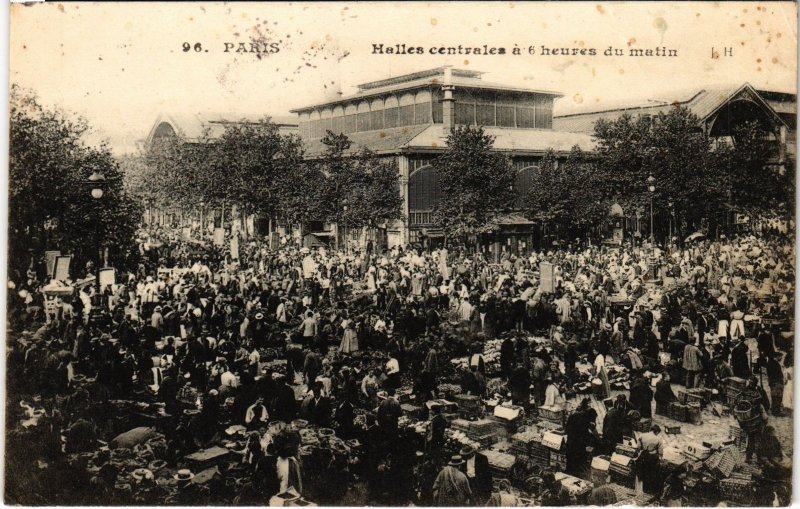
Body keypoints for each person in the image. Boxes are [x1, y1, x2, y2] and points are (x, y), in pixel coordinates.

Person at [637, 425, 665, 494]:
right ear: (657, 432)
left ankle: (640, 488)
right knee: (651, 473)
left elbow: (638, 447)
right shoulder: (658, 439)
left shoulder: (642, 436)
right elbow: (660, 452)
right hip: (652, 458)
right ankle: (649, 489)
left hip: (643, 456)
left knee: (642, 471)